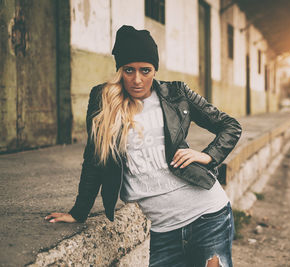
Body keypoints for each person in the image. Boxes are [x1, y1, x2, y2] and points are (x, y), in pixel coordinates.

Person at [45, 25, 241, 267]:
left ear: (155, 69)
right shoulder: (103, 100)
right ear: (120, 70)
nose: (137, 80)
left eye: (145, 71)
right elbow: (94, 159)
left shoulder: (177, 94)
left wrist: (208, 156)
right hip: (162, 230)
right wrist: (78, 212)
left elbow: (230, 126)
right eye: (129, 70)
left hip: (209, 215)